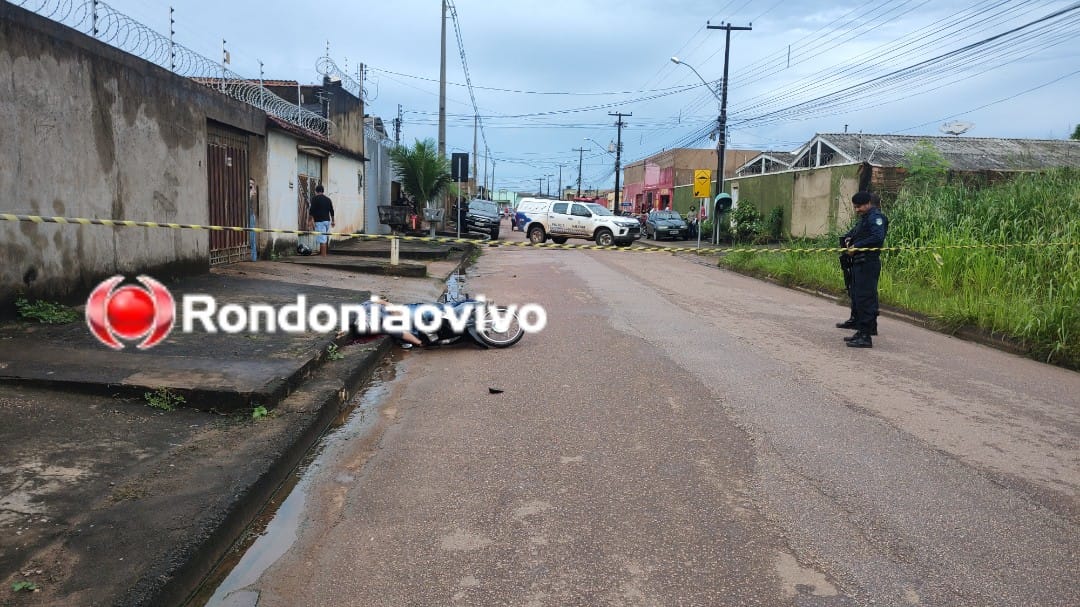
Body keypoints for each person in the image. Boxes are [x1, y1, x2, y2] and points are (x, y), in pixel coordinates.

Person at [842, 191, 888, 348]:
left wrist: (857, 246)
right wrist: (849, 239)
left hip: (868, 263)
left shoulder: (876, 218)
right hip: (859, 263)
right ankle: (861, 331)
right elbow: (857, 234)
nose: (857, 210)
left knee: (865, 298)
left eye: (859, 206)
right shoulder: (865, 219)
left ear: (868, 203)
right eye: (855, 207)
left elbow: (877, 238)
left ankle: (866, 336)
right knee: (858, 297)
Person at [308, 184, 335, 256]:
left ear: (316, 191)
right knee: (323, 238)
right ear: (323, 191)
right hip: (327, 221)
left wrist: (309, 221)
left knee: (322, 239)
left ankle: (323, 257)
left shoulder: (314, 199)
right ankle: (322, 254)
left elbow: (311, 210)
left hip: (320, 221)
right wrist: (333, 221)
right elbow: (332, 211)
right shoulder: (328, 199)